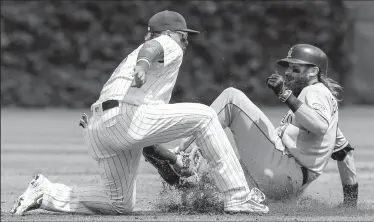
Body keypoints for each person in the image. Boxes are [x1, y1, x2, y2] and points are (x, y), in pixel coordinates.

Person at [10, 10, 269, 216]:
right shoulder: (166, 44)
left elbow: (146, 143)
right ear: (168, 33)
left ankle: (46, 193)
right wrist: (144, 65)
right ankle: (239, 197)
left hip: (99, 128)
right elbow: (153, 48)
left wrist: (175, 161)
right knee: (206, 116)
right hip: (125, 118)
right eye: (183, 34)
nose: (186, 40)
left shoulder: (134, 65)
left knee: (119, 203)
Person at [144, 44, 358, 206]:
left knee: (231, 98)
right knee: (215, 187)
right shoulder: (325, 105)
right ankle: (189, 183)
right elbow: (345, 155)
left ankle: (181, 155)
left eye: (296, 69)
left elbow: (319, 126)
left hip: (284, 170)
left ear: (313, 71)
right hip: (285, 183)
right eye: (289, 69)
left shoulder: (315, 91)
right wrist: (350, 205)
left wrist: (285, 95)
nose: (288, 73)